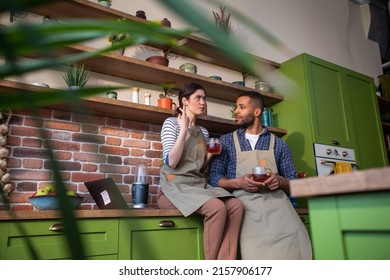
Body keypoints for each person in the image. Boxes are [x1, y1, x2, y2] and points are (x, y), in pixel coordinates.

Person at [209, 90, 312, 260]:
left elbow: (295, 186)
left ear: (257, 112)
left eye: (241, 107)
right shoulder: (226, 142)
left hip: (280, 210)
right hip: (245, 209)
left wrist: (279, 181)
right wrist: (239, 183)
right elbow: (214, 178)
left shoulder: (280, 145)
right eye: (236, 107)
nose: (236, 111)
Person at [158, 82, 244, 260]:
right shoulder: (171, 124)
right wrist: (183, 129)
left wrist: (211, 155)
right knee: (217, 207)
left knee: (236, 205)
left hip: (196, 186)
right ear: (185, 101)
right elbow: (172, 162)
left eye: (204, 98)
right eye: (198, 97)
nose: (203, 102)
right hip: (172, 189)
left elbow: (199, 168)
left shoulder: (203, 132)